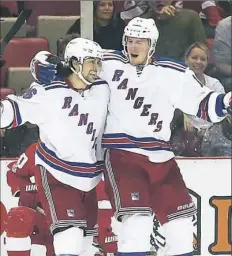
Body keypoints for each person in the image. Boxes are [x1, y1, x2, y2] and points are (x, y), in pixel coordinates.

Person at [30, 17, 232, 256]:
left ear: (152, 45)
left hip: (162, 160)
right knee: (137, 226)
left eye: (140, 42)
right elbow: (69, 61)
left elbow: (205, 104)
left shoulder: (173, 72)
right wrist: (42, 63)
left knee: (182, 233)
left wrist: (227, 102)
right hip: (122, 157)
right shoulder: (107, 62)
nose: (133, 46)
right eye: (130, 40)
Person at [0, 37, 109, 256]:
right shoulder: (48, 93)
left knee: (87, 246)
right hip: (57, 174)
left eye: (98, 62)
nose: (96, 68)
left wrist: (41, 60)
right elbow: (12, 111)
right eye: (90, 62)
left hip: (90, 179)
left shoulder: (103, 88)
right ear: (76, 63)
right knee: (69, 239)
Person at [171, 42, 232, 157]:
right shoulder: (175, 82)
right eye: (194, 58)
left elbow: (221, 112)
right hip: (183, 130)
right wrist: (182, 114)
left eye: (203, 59)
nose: (198, 62)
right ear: (186, 59)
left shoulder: (214, 84)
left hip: (211, 131)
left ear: (207, 62)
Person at [5, 143, 55, 256]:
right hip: (37, 215)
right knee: (17, 217)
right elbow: (13, 171)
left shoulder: (76, 150)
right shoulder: (36, 149)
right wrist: (22, 187)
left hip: (65, 213)